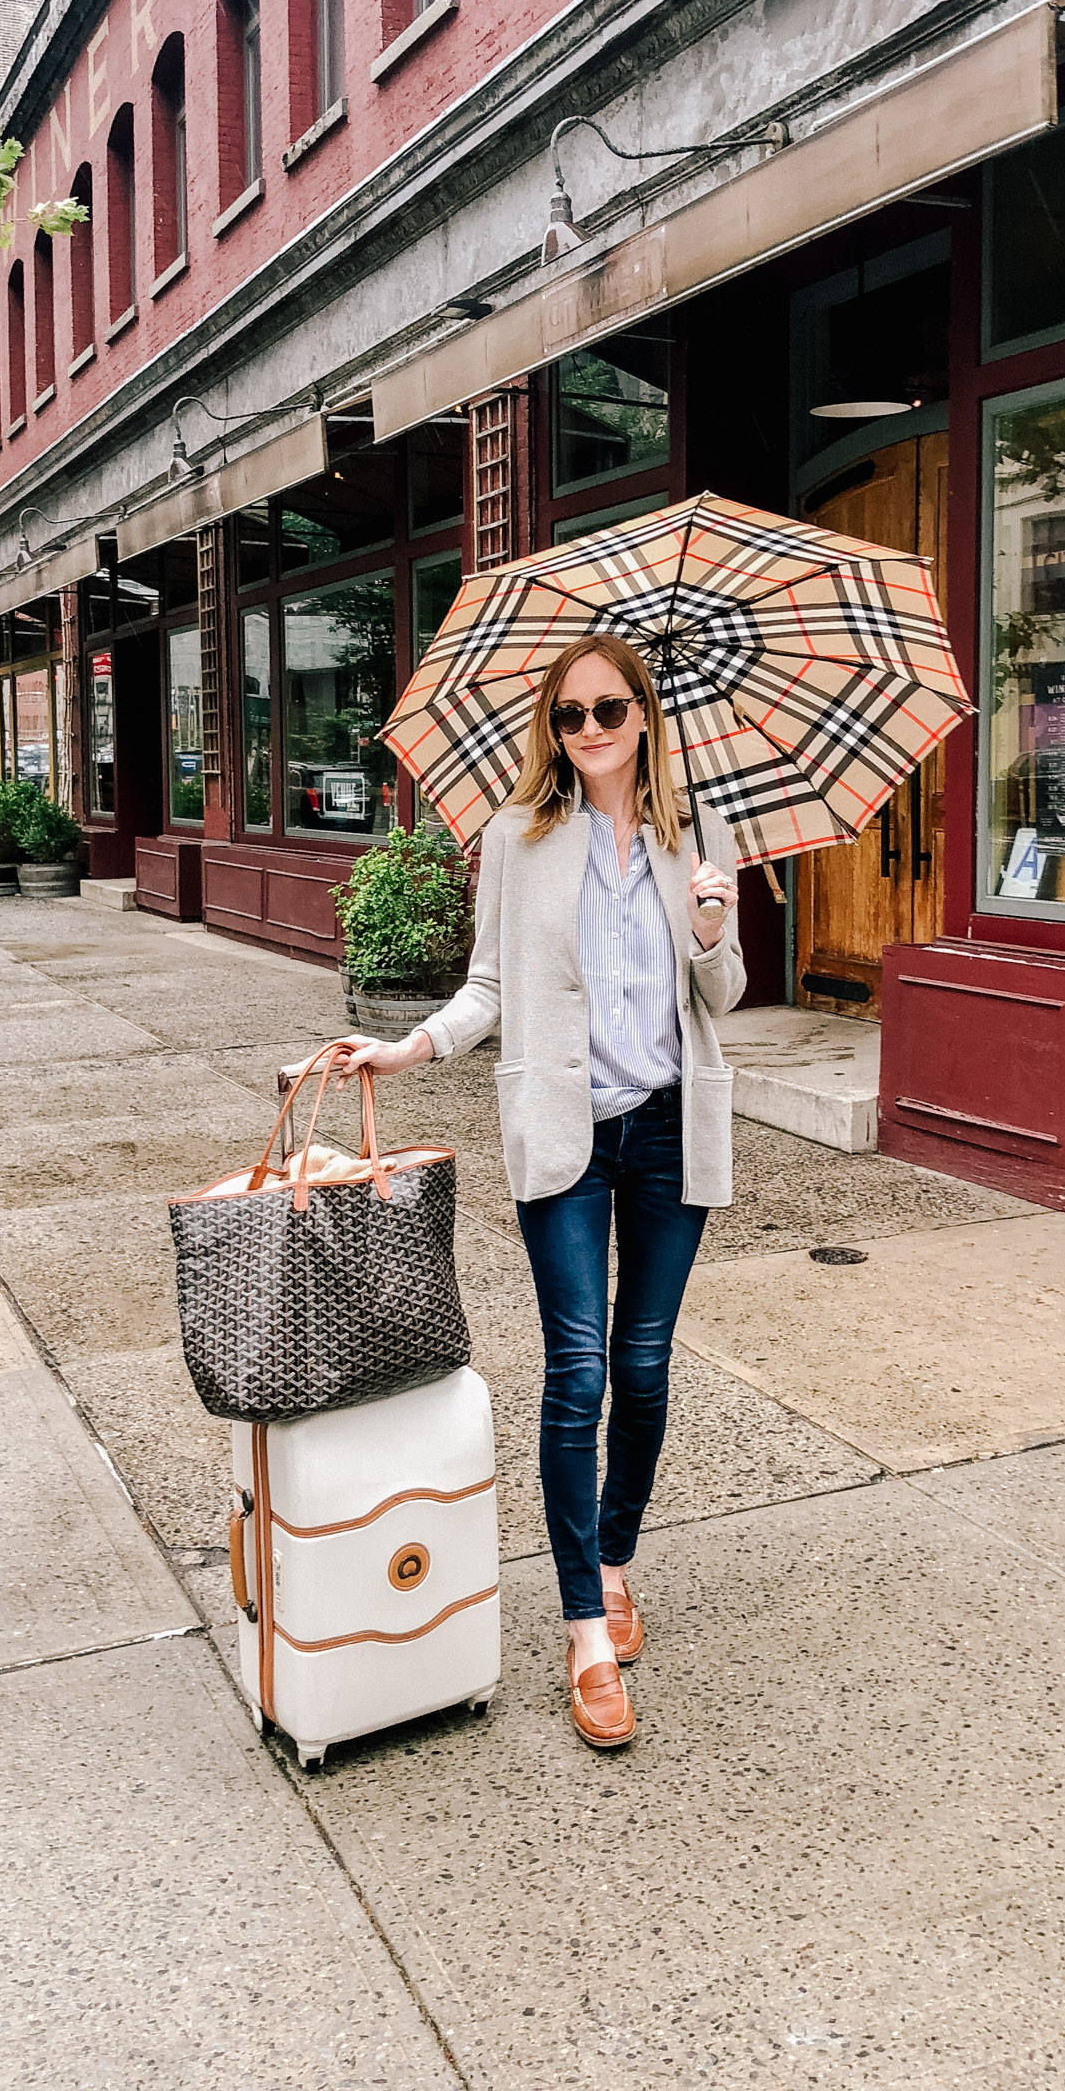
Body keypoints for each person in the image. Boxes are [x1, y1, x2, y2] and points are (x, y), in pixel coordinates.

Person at [333, 633, 744, 1751]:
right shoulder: (520, 837)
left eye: (611, 710)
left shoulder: (697, 832)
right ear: (552, 732)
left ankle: (614, 1562)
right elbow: (490, 985)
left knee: (645, 1369)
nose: (592, 731)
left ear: (645, 716)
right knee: (578, 1373)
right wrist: (412, 1049)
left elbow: (727, 990)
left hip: (669, 1133)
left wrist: (709, 923)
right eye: (571, 717)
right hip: (563, 1135)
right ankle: (583, 1634)